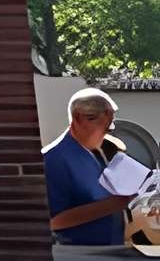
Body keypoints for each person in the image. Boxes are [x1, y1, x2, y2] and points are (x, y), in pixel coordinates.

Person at [44, 88, 138, 245]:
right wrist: (115, 203)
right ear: (80, 119)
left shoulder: (93, 153)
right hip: (80, 257)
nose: (109, 132)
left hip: (107, 252)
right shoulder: (54, 159)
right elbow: (53, 221)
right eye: (106, 127)